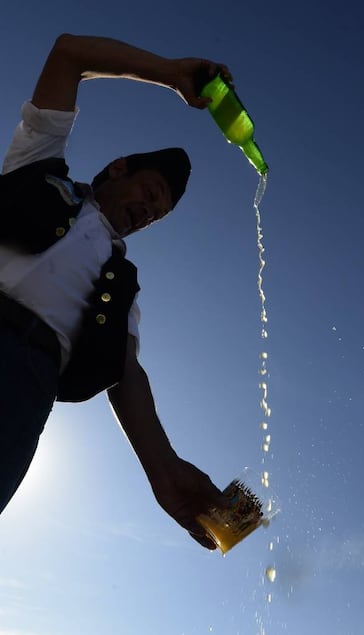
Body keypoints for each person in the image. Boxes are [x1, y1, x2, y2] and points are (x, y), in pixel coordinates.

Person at [0, 33, 233, 549]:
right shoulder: (38, 168)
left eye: (157, 214)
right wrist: (171, 72)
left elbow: (125, 373)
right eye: (150, 194)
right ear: (119, 168)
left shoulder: (120, 284)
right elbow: (69, 53)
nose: (147, 212)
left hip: (22, 394)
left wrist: (164, 468)